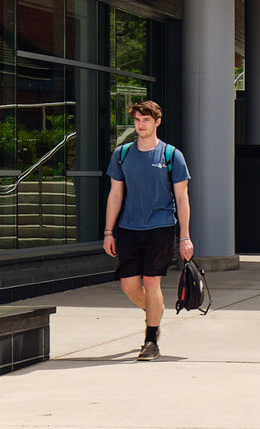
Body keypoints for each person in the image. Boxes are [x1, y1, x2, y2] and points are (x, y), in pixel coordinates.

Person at [103, 99, 191, 362]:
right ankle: (154, 310)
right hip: (129, 228)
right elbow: (115, 194)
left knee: (152, 282)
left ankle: (150, 340)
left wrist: (185, 236)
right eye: (137, 120)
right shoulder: (122, 154)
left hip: (161, 227)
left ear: (157, 122)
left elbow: (182, 197)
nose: (140, 125)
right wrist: (109, 231)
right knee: (129, 286)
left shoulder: (171, 155)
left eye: (146, 120)